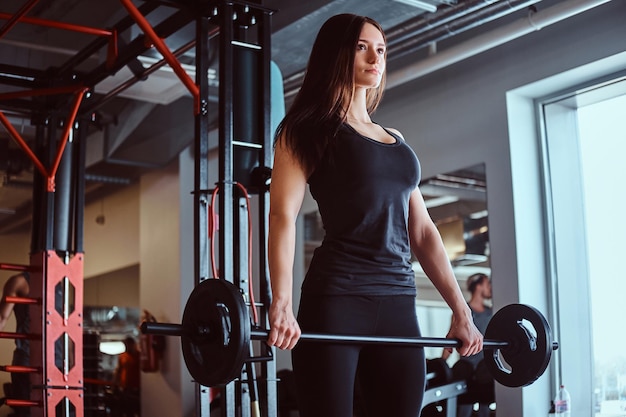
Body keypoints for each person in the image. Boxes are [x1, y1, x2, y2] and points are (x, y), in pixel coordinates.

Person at [266, 13, 483, 417]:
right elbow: (282, 216)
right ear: (336, 55)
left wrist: (461, 309)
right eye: (362, 47)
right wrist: (280, 302)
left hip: (399, 303)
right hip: (336, 300)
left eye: (381, 49)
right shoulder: (306, 130)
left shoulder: (395, 140)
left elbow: (423, 232)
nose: (375, 57)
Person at [0, 272, 31, 417]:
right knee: (26, 413)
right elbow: (1, 319)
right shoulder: (19, 281)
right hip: (26, 363)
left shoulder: (60, 281)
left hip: (57, 364)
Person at [112, 337, 140, 417]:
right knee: (127, 410)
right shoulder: (123, 356)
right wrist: (114, 384)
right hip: (126, 388)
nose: (127, 346)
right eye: (125, 344)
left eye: (128, 344)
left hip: (137, 389)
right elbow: (118, 370)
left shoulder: (139, 356)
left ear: (133, 345)